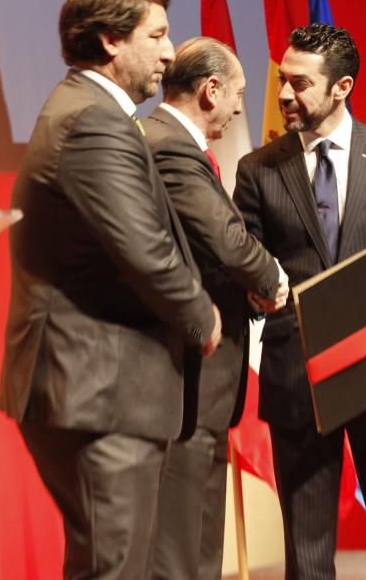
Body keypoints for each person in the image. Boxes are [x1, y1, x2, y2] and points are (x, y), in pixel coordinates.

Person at [0, 0, 222, 580]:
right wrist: (202, 315)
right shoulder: (93, 120)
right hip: (97, 391)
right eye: (158, 35)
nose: (171, 52)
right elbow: (145, 250)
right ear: (109, 40)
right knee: (113, 568)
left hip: (98, 387)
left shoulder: (90, 110)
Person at [233, 23, 366, 580]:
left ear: (341, 87)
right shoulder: (257, 169)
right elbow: (245, 268)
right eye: (283, 80)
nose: (284, 95)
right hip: (297, 375)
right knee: (306, 557)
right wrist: (255, 296)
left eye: (300, 84)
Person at [143, 37, 288, 580]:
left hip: (205, 379)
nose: (237, 109)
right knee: (180, 546)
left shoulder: (175, 145)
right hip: (187, 373)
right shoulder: (167, 145)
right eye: (238, 96)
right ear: (210, 90)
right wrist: (272, 279)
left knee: (201, 539)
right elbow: (225, 239)